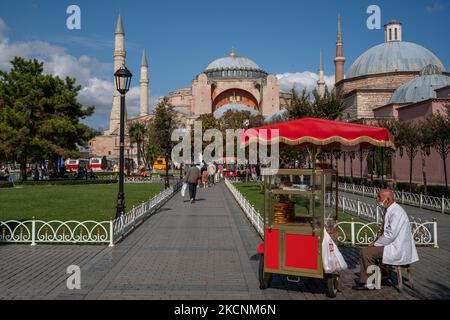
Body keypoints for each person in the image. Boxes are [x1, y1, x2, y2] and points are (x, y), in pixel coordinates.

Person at [353, 188, 419, 290]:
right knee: (371, 250)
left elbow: (390, 235)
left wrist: (375, 244)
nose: (376, 199)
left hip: (397, 248)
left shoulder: (396, 212)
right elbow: (385, 232)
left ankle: (368, 282)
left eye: (379, 197)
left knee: (365, 252)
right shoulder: (390, 210)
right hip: (393, 245)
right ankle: (383, 276)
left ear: (387, 200)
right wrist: (376, 241)